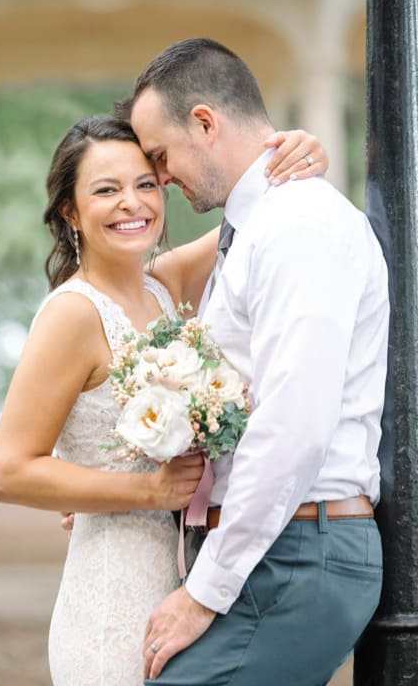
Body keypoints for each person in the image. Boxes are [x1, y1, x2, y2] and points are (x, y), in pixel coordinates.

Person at [0, 114, 328, 685]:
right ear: (69, 211)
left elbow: (253, 211)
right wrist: (143, 488)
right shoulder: (71, 314)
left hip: (183, 583)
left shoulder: (163, 286)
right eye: (106, 190)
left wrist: (298, 151)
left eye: (146, 184)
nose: (133, 203)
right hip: (110, 603)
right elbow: (9, 472)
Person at [124, 38, 388, 685]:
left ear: (206, 123)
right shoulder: (255, 229)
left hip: (300, 550)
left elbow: (293, 426)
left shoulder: (297, 225)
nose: (159, 181)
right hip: (278, 545)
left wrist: (203, 593)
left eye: (159, 158)